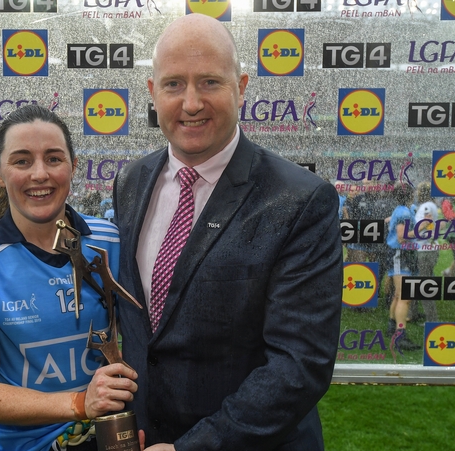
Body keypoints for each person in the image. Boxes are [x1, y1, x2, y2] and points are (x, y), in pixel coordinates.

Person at [112, 14, 343, 451]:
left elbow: (299, 365)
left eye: (210, 83)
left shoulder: (300, 201)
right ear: (152, 92)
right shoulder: (131, 181)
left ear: (242, 86)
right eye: (174, 84)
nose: (192, 103)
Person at [0, 105, 138, 451]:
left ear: (74, 166)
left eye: (54, 158)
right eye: (22, 161)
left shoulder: (111, 240)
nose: (40, 174)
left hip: (106, 438)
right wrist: (79, 404)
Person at [384, 183, 421, 357]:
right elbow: (402, 236)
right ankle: (400, 335)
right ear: (409, 194)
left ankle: (392, 326)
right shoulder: (405, 212)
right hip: (400, 255)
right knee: (404, 298)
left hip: (398, 255)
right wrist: (422, 229)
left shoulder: (400, 209)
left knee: (398, 295)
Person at [409, 182, 438, 323]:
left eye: (419, 190)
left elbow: (429, 223)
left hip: (425, 250)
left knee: (424, 285)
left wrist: (413, 232)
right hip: (424, 249)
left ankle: (432, 320)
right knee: (416, 281)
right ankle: (412, 313)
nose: (416, 193)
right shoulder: (428, 205)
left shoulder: (426, 206)